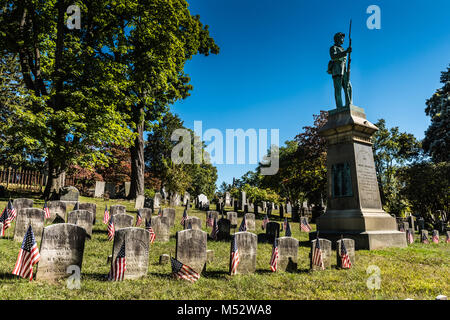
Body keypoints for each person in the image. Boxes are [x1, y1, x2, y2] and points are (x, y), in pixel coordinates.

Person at [328, 32, 353, 108]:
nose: (343, 40)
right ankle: (339, 107)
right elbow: (333, 57)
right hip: (337, 70)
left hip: (344, 70)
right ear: (337, 38)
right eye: (342, 38)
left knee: (349, 87)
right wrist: (346, 52)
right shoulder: (333, 47)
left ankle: (349, 104)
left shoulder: (342, 49)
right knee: (338, 89)